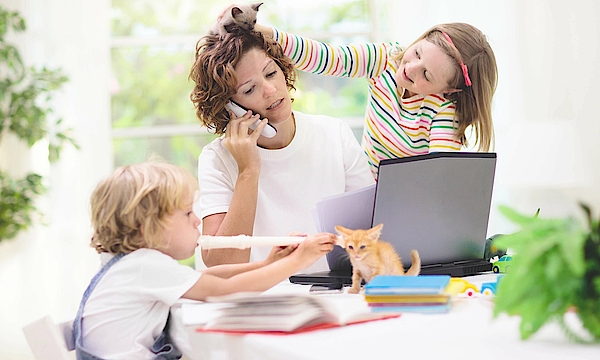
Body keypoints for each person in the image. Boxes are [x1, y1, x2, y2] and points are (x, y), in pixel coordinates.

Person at [73, 162, 336, 359]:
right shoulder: (142, 265)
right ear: (149, 227)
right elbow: (222, 292)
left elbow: (208, 279)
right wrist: (298, 262)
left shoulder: (131, 265)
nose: (197, 221)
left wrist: (267, 264)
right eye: (187, 213)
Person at [189, 28, 374, 271]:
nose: (270, 90)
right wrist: (248, 170)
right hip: (257, 299)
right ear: (228, 108)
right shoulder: (217, 159)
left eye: (271, 73)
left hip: (333, 293)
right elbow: (222, 264)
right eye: (249, 89)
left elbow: (373, 231)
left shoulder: (334, 133)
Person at [255, 23, 498, 178]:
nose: (410, 68)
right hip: (361, 185)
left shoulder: (445, 110)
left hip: (404, 202)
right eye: (417, 53)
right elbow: (328, 58)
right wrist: (264, 32)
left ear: (450, 90)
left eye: (426, 75)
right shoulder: (386, 59)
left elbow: (438, 176)